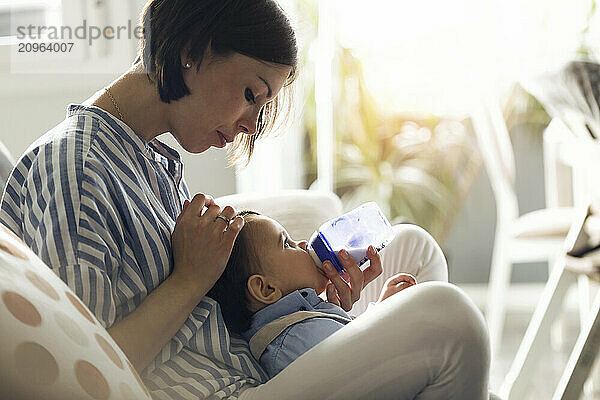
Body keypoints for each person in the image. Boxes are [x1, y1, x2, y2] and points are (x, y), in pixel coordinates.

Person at [0, 0, 490, 398]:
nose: (249, 126)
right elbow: (84, 374)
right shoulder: (76, 166)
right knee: (449, 319)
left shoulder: (149, 158)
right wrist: (190, 279)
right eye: (252, 94)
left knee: (411, 248)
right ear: (193, 49)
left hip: (253, 364)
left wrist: (320, 309)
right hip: (221, 391)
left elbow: (229, 309)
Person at [206, 211, 418, 379]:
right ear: (266, 289)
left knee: (413, 242)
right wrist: (388, 318)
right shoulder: (297, 340)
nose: (303, 244)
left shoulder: (303, 321)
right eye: (286, 243)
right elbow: (371, 368)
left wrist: (381, 310)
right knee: (436, 299)